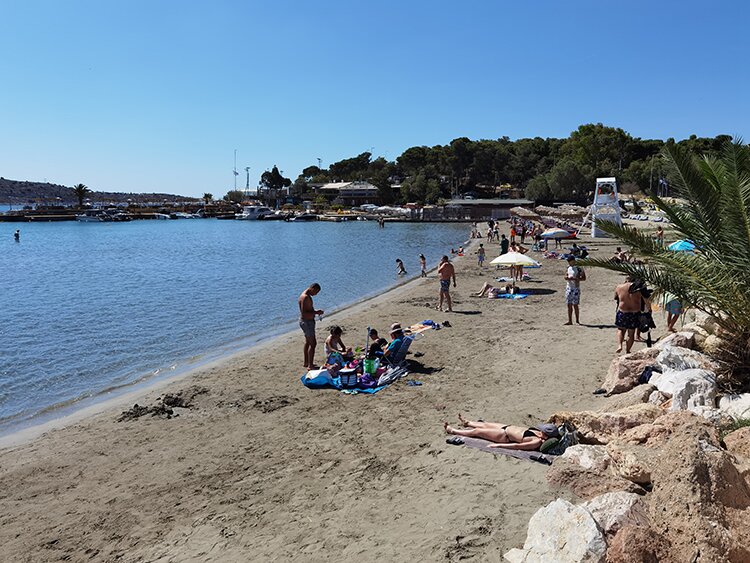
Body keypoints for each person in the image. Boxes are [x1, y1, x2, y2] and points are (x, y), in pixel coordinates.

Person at [444, 414, 560, 451]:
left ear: (546, 434)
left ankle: (453, 431)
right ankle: (467, 422)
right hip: (507, 427)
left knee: (478, 431)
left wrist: (499, 445)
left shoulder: (536, 442)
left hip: (504, 436)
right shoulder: (538, 433)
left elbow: (517, 446)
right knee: (485, 424)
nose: (540, 430)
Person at [298, 283, 323, 370]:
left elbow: (307, 310)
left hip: (307, 322)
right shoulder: (305, 297)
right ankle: (310, 365)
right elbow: (304, 314)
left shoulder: (305, 295)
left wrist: (316, 311)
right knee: (313, 343)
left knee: (308, 342)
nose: (316, 294)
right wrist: (316, 313)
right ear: (312, 288)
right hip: (306, 322)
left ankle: (306, 362)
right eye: (316, 292)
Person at [614, 276, 642, 353]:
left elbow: (615, 297)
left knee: (620, 329)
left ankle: (620, 345)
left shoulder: (619, 287)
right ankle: (628, 350)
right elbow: (644, 299)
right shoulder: (638, 288)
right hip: (634, 312)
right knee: (631, 333)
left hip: (623, 311)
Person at [564, 256, 583, 325]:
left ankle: (577, 320)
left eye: (570, 261)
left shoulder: (579, 268)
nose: (569, 263)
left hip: (575, 288)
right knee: (569, 305)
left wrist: (576, 279)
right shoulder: (568, 267)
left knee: (575, 305)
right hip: (569, 287)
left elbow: (583, 278)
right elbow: (565, 276)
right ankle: (570, 320)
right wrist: (567, 278)